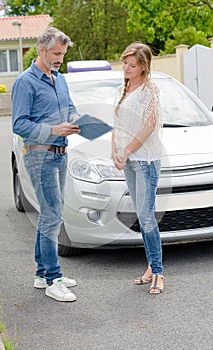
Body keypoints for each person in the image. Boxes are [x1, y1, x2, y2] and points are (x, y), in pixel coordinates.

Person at [11, 27, 81, 302]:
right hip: (39, 155)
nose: (60, 59)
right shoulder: (24, 82)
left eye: (63, 54)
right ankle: (54, 278)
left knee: (50, 214)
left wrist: (78, 121)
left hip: (61, 153)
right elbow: (19, 124)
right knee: (53, 216)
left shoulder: (60, 79)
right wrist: (54, 129)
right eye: (56, 53)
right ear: (41, 50)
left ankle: (42, 274)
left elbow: (70, 108)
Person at [111, 43, 164, 294]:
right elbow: (117, 124)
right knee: (142, 218)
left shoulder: (149, 90)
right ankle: (151, 266)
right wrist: (115, 152)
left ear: (143, 67)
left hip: (146, 161)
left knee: (147, 216)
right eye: (125, 64)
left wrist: (128, 150)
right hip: (129, 162)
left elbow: (149, 126)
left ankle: (159, 271)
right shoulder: (122, 88)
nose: (127, 69)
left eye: (132, 65)